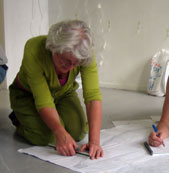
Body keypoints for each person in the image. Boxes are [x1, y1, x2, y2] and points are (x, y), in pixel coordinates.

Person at [9, 20, 103, 159]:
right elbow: (44, 101)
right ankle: (19, 118)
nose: (70, 67)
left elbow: (93, 96)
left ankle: (55, 119)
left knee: (78, 132)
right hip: (28, 95)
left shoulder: (84, 52)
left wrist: (94, 141)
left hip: (63, 92)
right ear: (53, 47)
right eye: (65, 61)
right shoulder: (34, 49)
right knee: (47, 136)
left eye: (75, 63)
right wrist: (59, 132)